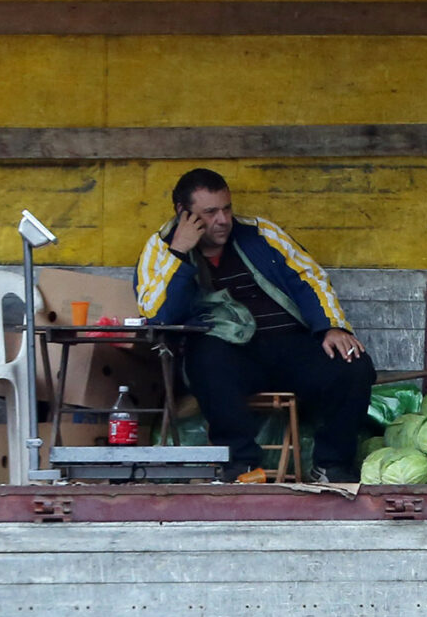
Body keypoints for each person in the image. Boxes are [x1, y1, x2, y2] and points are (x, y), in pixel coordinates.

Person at [135, 167, 378, 480]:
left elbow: (310, 277)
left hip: (287, 346)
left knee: (353, 364)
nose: (223, 220)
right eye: (209, 213)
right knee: (207, 357)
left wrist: (332, 327)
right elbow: (157, 315)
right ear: (183, 213)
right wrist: (179, 252)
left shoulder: (260, 233)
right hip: (227, 356)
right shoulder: (160, 248)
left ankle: (332, 466)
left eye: (227, 208)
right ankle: (241, 465)